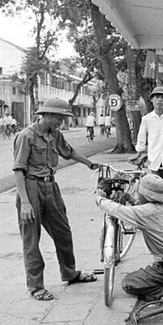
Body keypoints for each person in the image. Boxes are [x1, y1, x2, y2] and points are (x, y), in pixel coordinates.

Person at [12, 97, 100, 301]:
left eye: (63, 118)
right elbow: (18, 171)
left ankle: (70, 272)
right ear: (47, 115)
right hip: (30, 187)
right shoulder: (26, 136)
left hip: (51, 186)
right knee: (31, 240)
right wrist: (25, 202)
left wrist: (89, 163)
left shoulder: (55, 135)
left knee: (63, 232)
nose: (62, 121)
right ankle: (35, 287)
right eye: (59, 117)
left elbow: (68, 153)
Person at [95, 173, 163, 300]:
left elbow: (119, 211)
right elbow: (143, 209)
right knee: (142, 275)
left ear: (147, 196)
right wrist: (129, 198)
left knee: (128, 283)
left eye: (139, 192)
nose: (137, 194)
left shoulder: (148, 212)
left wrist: (100, 199)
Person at [130, 86, 163, 180]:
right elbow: (141, 136)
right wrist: (139, 151)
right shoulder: (147, 119)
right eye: (157, 97)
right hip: (154, 158)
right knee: (155, 188)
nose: (159, 100)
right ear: (152, 100)